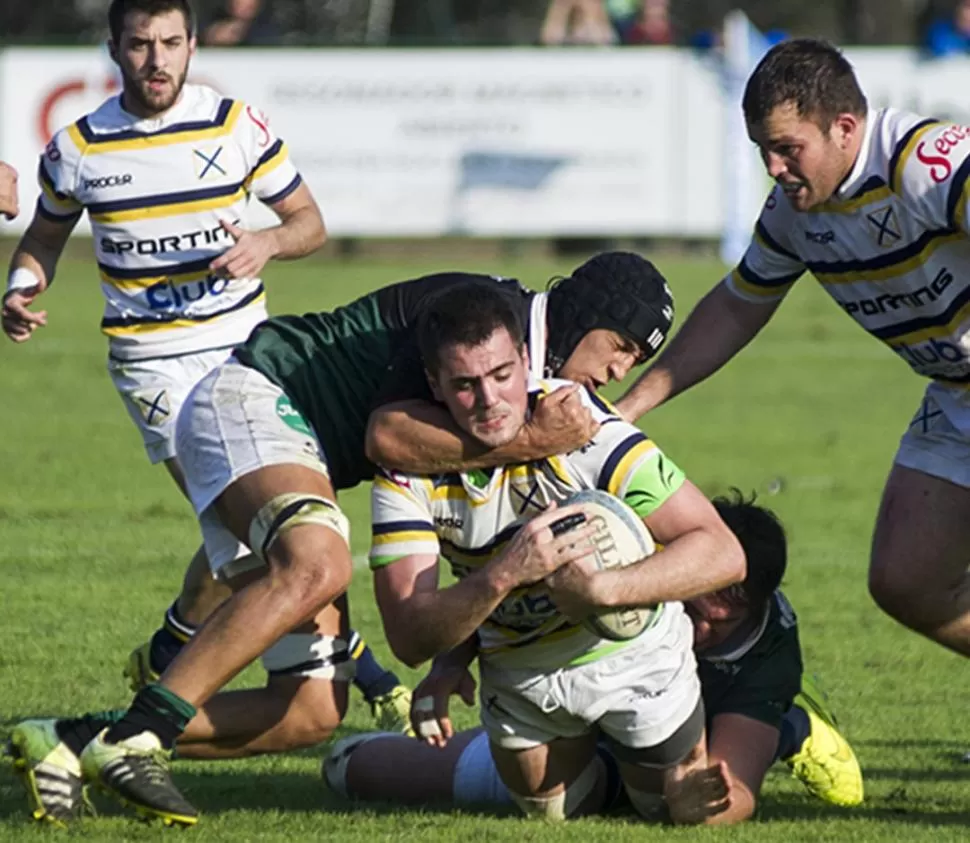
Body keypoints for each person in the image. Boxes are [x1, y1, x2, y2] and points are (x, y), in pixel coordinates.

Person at [8, 251, 678, 827]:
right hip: (259, 397)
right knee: (318, 561)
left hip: (296, 451)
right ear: (589, 314)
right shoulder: (481, 317)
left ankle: (69, 738)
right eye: (623, 347)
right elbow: (386, 437)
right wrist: (537, 438)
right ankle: (137, 736)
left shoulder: (519, 356)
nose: (622, 369)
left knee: (307, 709)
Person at [613, 37, 970, 664]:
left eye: (787, 148)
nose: (774, 168)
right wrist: (629, 408)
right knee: (907, 582)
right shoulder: (791, 215)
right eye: (763, 151)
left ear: (845, 128)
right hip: (955, 392)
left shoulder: (924, 164)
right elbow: (735, 306)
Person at [367, 281, 747, 824]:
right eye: (466, 384)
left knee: (676, 809)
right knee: (557, 814)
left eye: (502, 375)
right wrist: (502, 577)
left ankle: (760, 734)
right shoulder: (408, 473)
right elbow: (408, 636)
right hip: (522, 671)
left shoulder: (583, 426)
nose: (491, 399)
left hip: (633, 657)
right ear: (435, 384)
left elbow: (722, 552)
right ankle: (354, 758)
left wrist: (601, 591)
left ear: (526, 359)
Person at [324, 492, 864, 822]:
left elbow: (732, 796)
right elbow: (516, 593)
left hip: (698, 723)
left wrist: (711, 800)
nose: (704, 609)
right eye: (702, 588)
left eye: (728, 603)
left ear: (757, 603)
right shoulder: (640, 558)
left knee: (687, 809)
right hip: (584, 715)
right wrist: (448, 667)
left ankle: (790, 728)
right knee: (350, 770)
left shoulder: (766, 651)